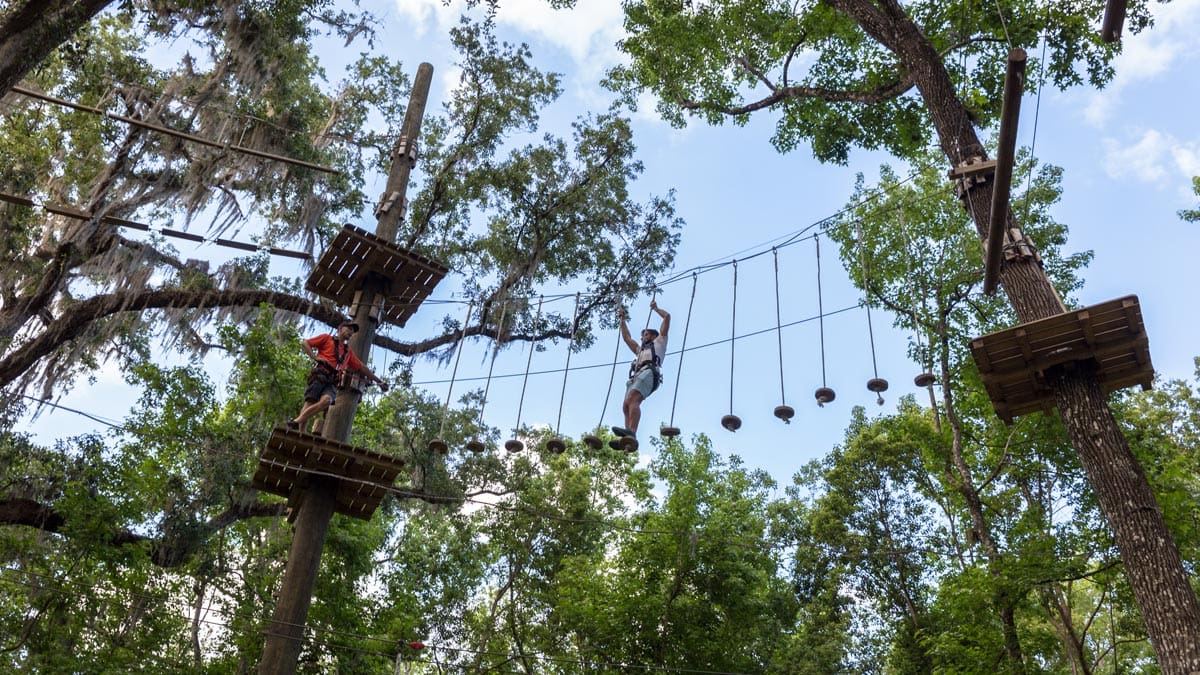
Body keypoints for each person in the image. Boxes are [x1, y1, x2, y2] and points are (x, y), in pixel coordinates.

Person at [286, 321, 389, 432]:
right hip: (320, 374)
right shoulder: (326, 338)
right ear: (340, 329)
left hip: (332, 380)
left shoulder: (347, 352)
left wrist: (379, 382)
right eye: (349, 329)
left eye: (352, 331)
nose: (351, 332)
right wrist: (315, 357)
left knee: (327, 401)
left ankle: (296, 421)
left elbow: (362, 367)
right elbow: (305, 343)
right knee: (310, 401)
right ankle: (301, 432)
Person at [611, 300, 670, 451]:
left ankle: (632, 432)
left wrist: (656, 309)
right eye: (643, 335)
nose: (643, 337)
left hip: (650, 373)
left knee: (633, 400)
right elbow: (627, 338)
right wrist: (622, 320)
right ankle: (628, 438)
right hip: (637, 376)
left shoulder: (659, 342)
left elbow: (667, 317)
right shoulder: (640, 351)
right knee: (626, 406)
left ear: (654, 336)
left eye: (646, 334)